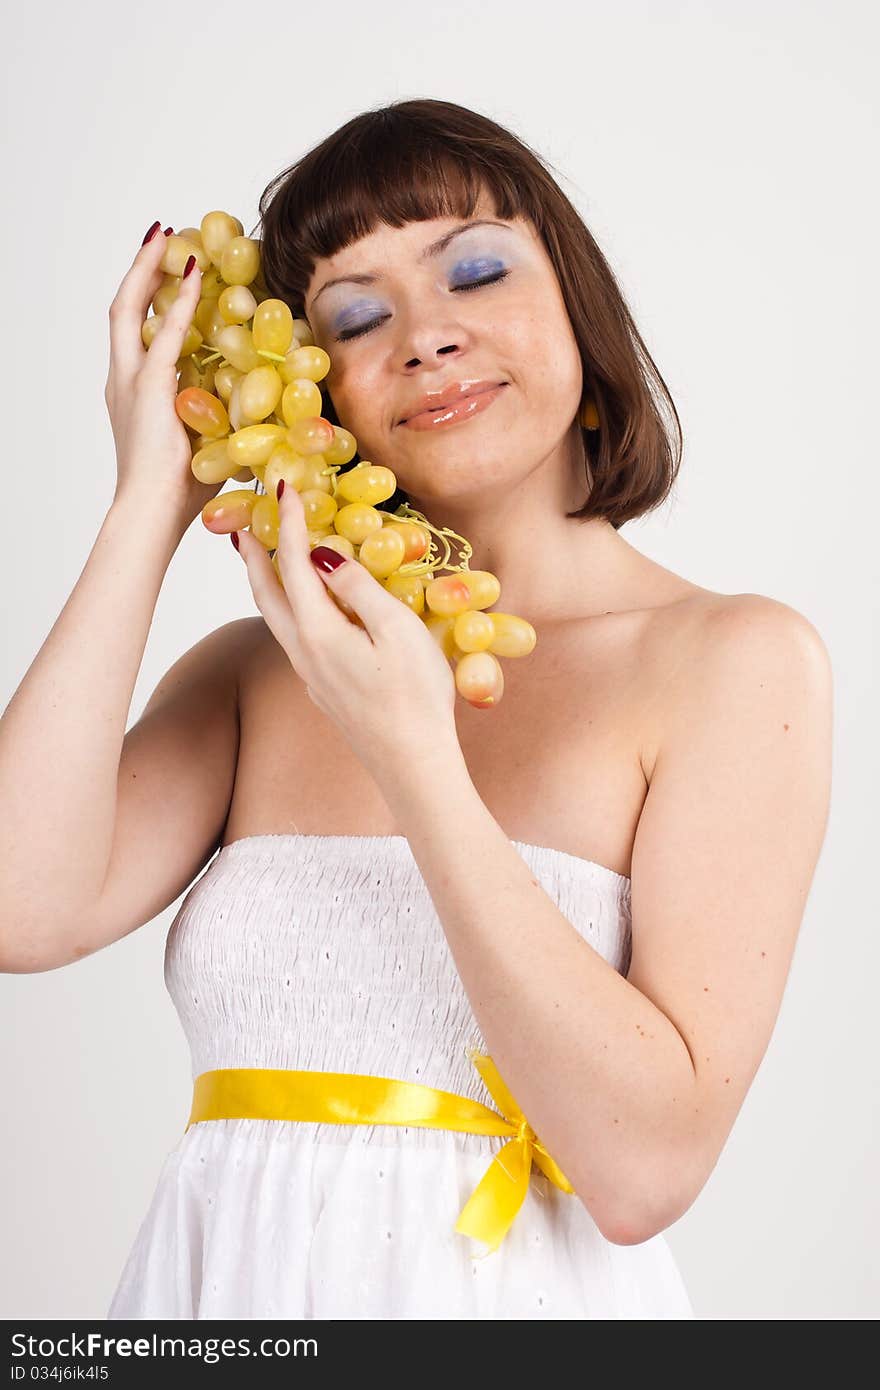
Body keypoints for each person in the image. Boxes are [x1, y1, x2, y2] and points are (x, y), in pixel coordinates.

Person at [0, 99, 833, 1320]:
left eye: (476, 270)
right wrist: (147, 502)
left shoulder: (733, 663)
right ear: (315, 387)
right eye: (354, 314)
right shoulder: (251, 676)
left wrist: (411, 755)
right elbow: (22, 905)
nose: (426, 337)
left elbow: (642, 1171)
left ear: (580, 317)